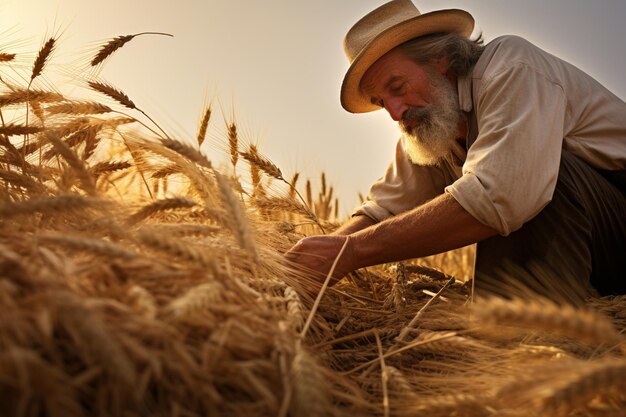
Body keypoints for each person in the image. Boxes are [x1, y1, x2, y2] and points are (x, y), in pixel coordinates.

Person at [285, 0, 626, 301]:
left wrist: (352, 252)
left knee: (528, 172)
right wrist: (312, 259)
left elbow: (502, 193)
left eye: (397, 87)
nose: (394, 112)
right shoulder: (430, 124)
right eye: (380, 102)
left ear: (441, 59)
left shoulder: (511, 67)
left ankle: (526, 348)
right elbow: (382, 209)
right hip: (592, 247)